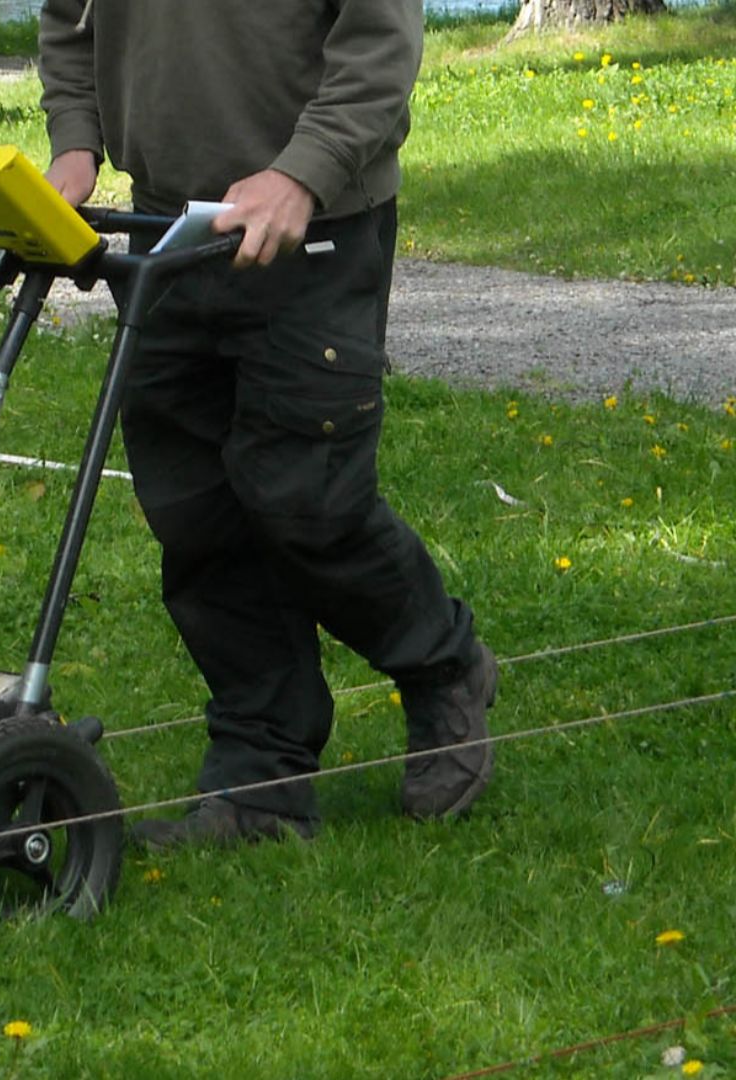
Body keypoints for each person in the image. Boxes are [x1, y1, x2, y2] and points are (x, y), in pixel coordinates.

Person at [36, 0, 497, 847]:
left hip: (314, 227)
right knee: (197, 512)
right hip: (166, 228)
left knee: (306, 499)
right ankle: (261, 784)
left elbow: (379, 43)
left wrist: (303, 170)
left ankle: (442, 666)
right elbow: (71, 17)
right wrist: (74, 144)